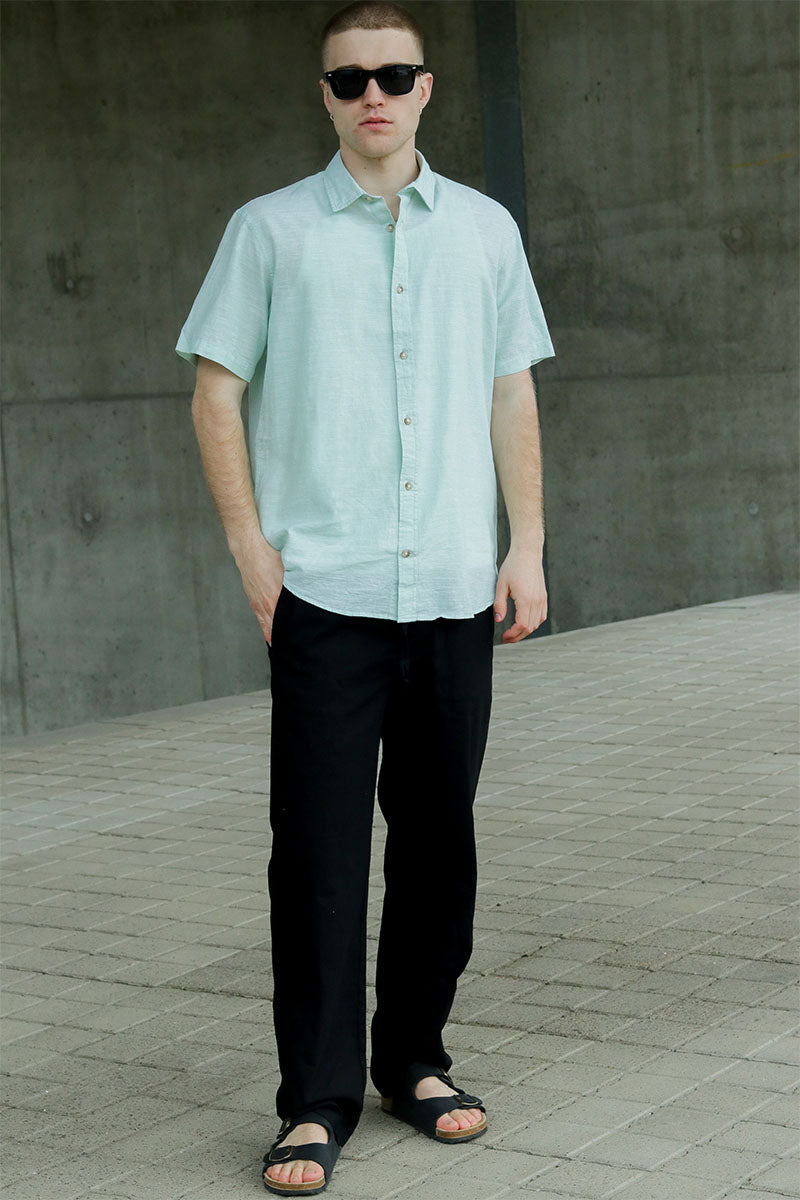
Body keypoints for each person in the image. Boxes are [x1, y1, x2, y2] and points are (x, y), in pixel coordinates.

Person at [176, 1, 555, 1193]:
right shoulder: (269, 231)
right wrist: (251, 552)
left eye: (393, 74)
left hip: (449, 584)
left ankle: (414, 1062)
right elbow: (215, 391)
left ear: (426, 86)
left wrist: (527, 544)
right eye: (349, 80)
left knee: (439, 848)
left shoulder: (484, 231)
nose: (372, 95)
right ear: (326, 95)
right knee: (321, 857)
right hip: (325, 593)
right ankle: (316, 1099)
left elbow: (509, 391)